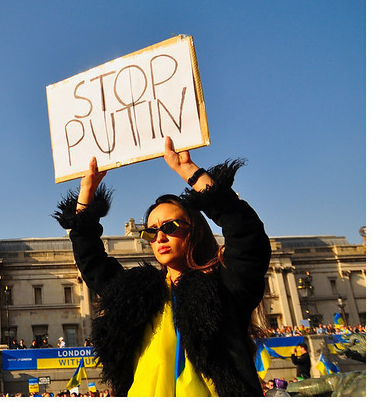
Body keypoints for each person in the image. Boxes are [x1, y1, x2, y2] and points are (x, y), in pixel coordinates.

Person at [53, 137, 271, 397]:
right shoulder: (137, 294)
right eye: (151, 231)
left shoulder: (225, 286)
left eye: (170, 227)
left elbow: (247, 234)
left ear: (196, 232)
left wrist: (190, 172)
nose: (159, 237)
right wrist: (86, 192)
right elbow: (91, 262)